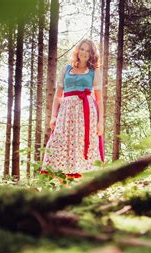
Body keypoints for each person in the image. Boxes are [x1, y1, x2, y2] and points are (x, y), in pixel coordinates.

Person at [40, 38, 105, 180]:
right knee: (59, 141)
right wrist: (53, 116)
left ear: (92, 54)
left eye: (88, 50)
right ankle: (61, 181)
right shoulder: (66, 69)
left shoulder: (94, 72)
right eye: (82, 49)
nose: (84, 53)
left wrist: (101, 122)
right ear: (77, 51)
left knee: (81, 145)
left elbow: (99, 100)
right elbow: (57, 97)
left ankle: (83, 183)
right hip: (66, 111)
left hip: (86, 112)